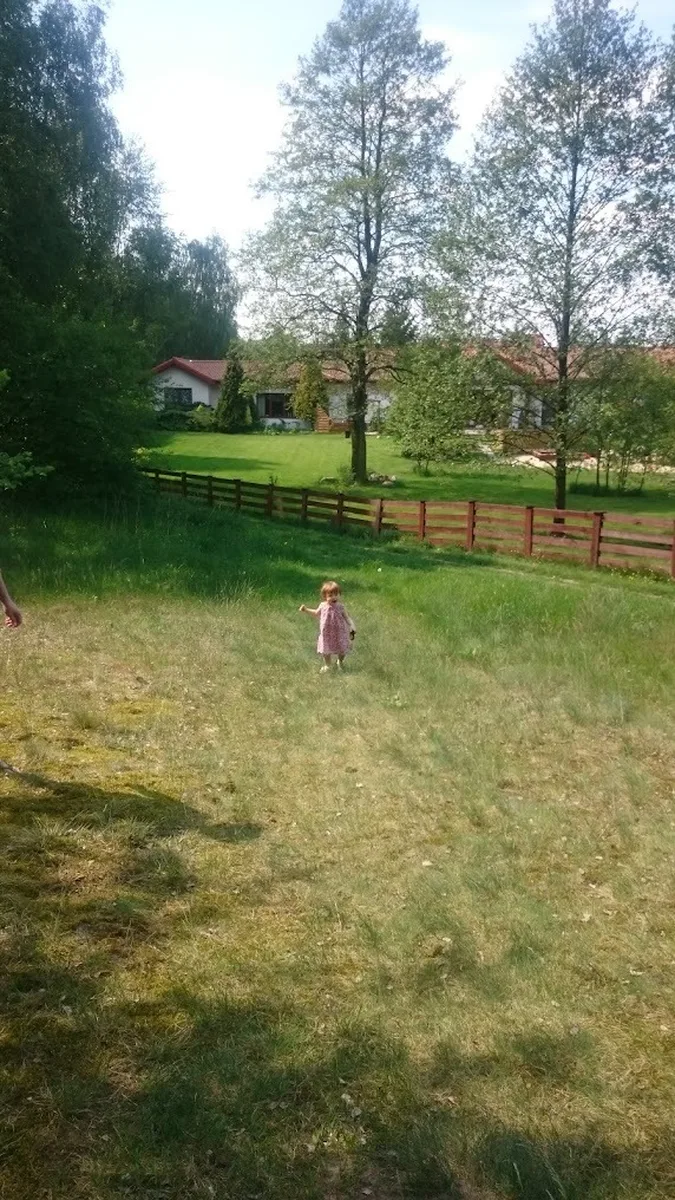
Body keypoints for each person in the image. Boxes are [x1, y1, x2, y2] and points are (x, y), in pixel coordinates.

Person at [299, 580, 355, 672]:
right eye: (330, 595)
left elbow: (347, 618)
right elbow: (316, 613)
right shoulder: (323, 606)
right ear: (325, 596)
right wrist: (306, 610)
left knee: (342, 649)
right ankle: (327, 665)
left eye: (336, 594)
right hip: (326, 634)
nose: (334, 597)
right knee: (326, 650)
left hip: (339, 633)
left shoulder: (341, 607)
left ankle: (340, 662)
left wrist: (352, 626)